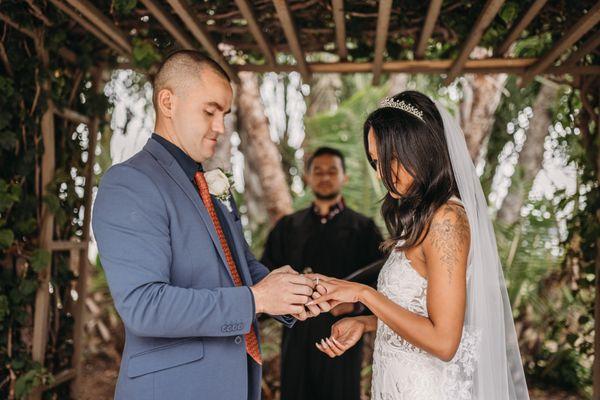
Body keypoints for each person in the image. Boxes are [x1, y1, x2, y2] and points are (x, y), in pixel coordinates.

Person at [92, 50, 325, 400]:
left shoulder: (208, 181)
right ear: (167, 102)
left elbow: (240, 266)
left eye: (225, 114)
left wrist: (291, 293)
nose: (220, 126)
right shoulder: (130, 183)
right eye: (209, 111)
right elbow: (145, 306)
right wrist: (256, 300)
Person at [309, 91, 530, 399]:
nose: (382, 174)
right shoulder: (421, 217)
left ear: (422, 148)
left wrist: (363, 294)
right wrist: (365, 322)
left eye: (391, 159)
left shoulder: (447, 220)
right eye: (375, 161)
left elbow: (444, 341)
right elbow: (422, 314)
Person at [261, 147, 384, 400]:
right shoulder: (288, 227)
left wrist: (354, 308)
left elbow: (380, 281)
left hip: (340, 334)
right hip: (296, 334)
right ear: (307, 177)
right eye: (318, 171)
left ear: (344, 177)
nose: (325, 177)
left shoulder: (364, 229)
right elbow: (267, 274)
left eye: (332, 171)